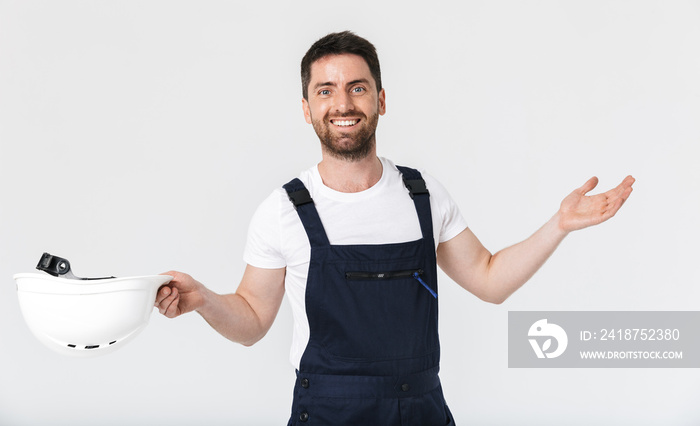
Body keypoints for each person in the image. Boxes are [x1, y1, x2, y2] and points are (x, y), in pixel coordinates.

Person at [154, 31, 635, 425]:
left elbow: (489, 279)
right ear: (307, 108)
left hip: (421, 410)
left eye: (357, 87)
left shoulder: (422, 195)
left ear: (381, 100)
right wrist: (202, 300)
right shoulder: (282, 209)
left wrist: (560, 225)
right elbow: (253, 319)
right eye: (326, 91)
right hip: (326, 413)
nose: (343, 103)